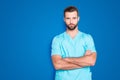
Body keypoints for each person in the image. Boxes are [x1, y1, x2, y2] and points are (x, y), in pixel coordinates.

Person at [51, 6, 97, 80]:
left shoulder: (87, 38)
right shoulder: (57, 40)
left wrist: (67, 59)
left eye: (74, 18)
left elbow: (92, 61)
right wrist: (84, 62)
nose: (71, 21)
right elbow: (57, 65)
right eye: (68, 18)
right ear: (64, 19)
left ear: (78, 18)